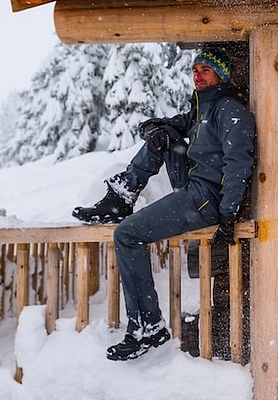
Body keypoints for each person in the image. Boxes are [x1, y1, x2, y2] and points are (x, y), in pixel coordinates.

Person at [72, 48, 256, 361]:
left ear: (221, 76)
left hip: (206, 199)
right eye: (195, 70)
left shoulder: (229, 110)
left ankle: (147, 327)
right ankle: (121, 196)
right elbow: (163, 124)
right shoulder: (201, 111)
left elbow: (239, 162)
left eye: (205, 70)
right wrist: (152, 130)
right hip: (193, 188)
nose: (197, 75)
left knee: (127, 235)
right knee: (165, 135)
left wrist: (228, 215)